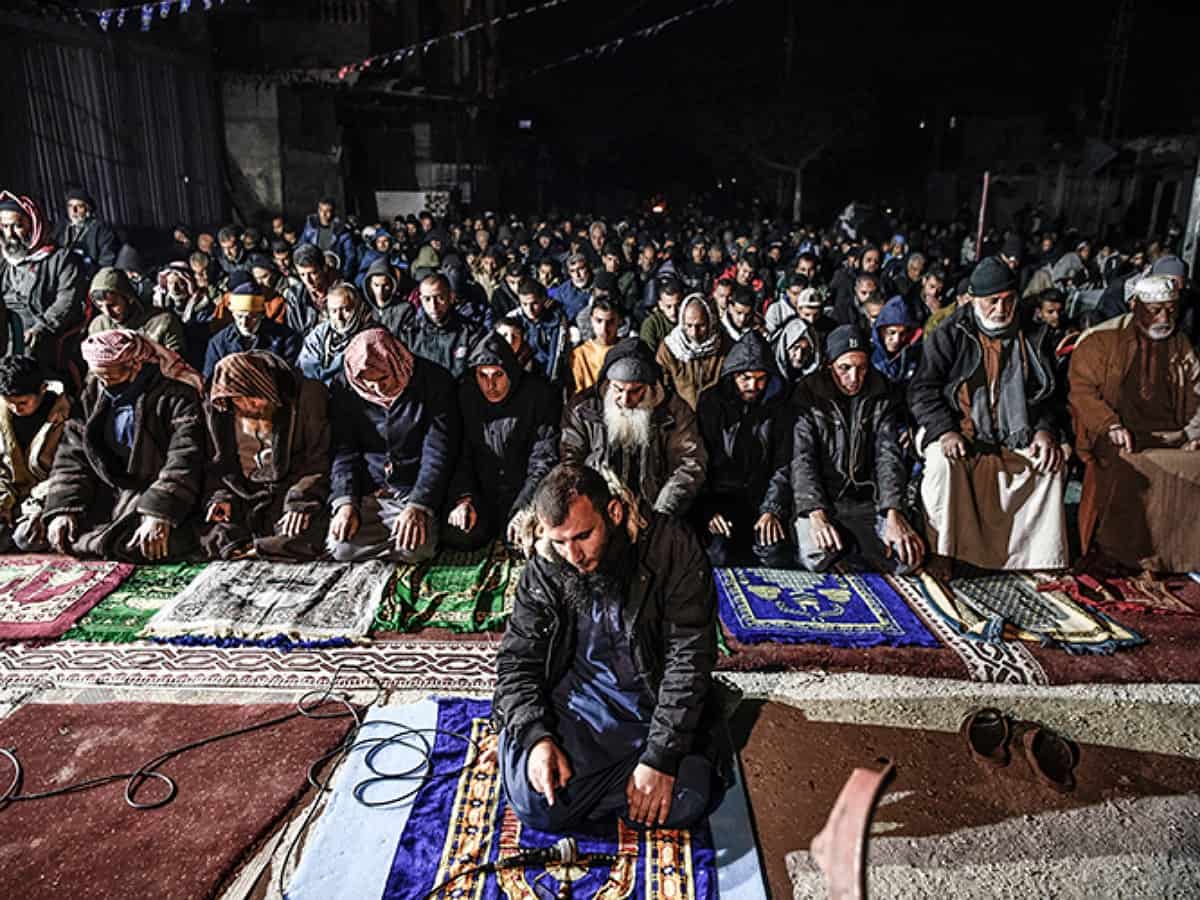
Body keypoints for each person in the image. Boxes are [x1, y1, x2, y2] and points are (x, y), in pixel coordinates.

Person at [493, 463, 721, 833]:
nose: (574, 556)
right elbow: (518, 662)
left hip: (649, 709)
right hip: (577, 710)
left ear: (613, 513)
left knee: (689, 797)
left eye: (583, 536)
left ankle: (623, 785)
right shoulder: (547, 563)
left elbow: (689, 660)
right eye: (559, 541)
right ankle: (601, 784)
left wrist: (660, 758)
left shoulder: (671, 547)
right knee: (537, 806)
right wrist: (537, 738)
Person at [909, 257, 1068, 570]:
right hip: (957, 429)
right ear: (973, 300)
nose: (1000, 309)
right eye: (992, 301)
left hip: (1016, 432)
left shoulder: (1034, 335)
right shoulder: (950, 332)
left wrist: (1045, 430)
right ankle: (945, 555)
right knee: (942, 465)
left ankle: (1035, 561)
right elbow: (922, 391)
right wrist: (945, 430)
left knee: (1051, 462)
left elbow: (1050, 395)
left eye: (1008, 301)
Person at [1069, 274, 1200, 572]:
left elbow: (1197, 395)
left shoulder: (1180, 343)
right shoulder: (1100, 339)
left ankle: (1175, 557)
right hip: (1115, 432)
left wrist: (1194, 433)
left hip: (1170, 434)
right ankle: (1115, 554)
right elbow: (1082, 392)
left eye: (1170, 309)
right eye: (1155, 310)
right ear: (1134, 306)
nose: (1164, 317)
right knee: (1126, 465)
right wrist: (1110, 425)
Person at [40, 331, 206, 561]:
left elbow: (185, 457)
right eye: (99, 377)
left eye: (111, 377)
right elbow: (72, 458)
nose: (105, 383)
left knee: (140, 542)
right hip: (110, 493)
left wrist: (158, 512)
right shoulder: (91, 396)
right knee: (39, 533)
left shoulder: (176, 397)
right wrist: (64, 509)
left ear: (135, 365)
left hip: (155, 490)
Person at [792, 325, 924, 573]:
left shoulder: (881, 391)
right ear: (830, 365)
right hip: (824, 500)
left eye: (862, 368)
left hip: (865, 500)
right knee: (816, 556)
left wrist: (893, 512)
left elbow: (888, 457)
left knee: (908, 558)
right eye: (845, 368)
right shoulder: (808, 392)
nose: (854, 378)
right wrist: (816, 513)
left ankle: (857, 546)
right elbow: (802, 458)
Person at [327, 329, 459, 563]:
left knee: (416, 549)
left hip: (414, 488)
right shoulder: (344, 387)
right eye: (368, 382)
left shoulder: (434, 381)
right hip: (371, 490)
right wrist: (346, 502)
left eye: (383, 379)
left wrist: (418, 504)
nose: (377, 389)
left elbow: (437, 452)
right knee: (341, 548)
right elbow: (344, 451)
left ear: (396, 365)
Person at [201, 351, 330, 560]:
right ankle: (247, 547)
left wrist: (301, 502)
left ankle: (258, 549)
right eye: (238, 401)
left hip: (289, 488)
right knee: (208, 528)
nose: (248, 407)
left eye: (253, 397)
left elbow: (317, 460)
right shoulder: (219, 409)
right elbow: (218, 464)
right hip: (243, 494)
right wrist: (222, 497)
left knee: (310, 529)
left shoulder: (308, 396)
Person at [560, 338, 707, 516]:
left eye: (635, 391)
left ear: (650, 388)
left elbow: (690, 463)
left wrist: (663, 511)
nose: (625, 400)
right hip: (598, 509)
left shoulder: (675, 411)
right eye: (618, 389)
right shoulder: (582, 408)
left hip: (655, 507)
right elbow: (571, 463)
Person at [445, 332, 560, 550]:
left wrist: (524, 507)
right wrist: (464, 499)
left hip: (525, 489)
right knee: (460, 534)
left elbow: (543, 458)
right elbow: (460, 454)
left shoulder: (537, 395)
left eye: (497, 375)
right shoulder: (467, 396)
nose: (490, 385)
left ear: (510, 371)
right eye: (483, 376)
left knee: (528, 539)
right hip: (483, 492)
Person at [695, 332, 793, 567]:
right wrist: (708, 510)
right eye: (746, 378)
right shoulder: (711, 402)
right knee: (719, 554)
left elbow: (784, 463)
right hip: (719, 498)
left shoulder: (778, 405)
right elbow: (699, 461)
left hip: (760, 498)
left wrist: (772, 509)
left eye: (761, 379)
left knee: (774, 554)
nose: (754, 386)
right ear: (733, 376)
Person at [0, 191, 86, 369]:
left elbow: (66, 301)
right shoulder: (3, 260)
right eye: (4, 226)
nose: (10, 234)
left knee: (26, 365)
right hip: (6, 327)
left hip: (43, 328)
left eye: (17, 226)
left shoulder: (62, 259)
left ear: (33, 224)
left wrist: (41, 328)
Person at [0, 356, 70, 552]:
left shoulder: (66, 415)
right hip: (14, 498)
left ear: (42, 389)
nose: (16, 409)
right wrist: (2, 504)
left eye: (23, 402)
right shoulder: (2, 414)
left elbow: (68, 471)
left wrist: (38, 505)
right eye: (9, 403)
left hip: (53, 497)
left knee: (26, 538)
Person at [203, 282, 301, 381]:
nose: (244, 323)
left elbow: (290, 379)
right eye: (239, 316)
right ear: (232, 314)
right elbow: (210, 381)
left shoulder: (286, 338)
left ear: (261, 315)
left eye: (251, 317)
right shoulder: (218, 343)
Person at [401, 273, 485, 378]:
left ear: (451, 297)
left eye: (440, 298)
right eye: (427, 299)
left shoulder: (471, 333)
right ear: (421, 300)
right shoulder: (410, 334)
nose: (433, 306)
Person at [88, 267, 186, 354]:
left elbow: (177, 366)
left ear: (129, 298)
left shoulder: (163, 322)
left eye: (113, 305)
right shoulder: (98, 326)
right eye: (100, 306)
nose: (108, 313)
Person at [297, 282, 379, 385]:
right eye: (333, 311)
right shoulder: (319, 333)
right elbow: (308, 370)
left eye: (345, 309)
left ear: (357, 308)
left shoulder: (372, 336)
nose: (339, 317)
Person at [655, 293, 727, 410]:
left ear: (711, 321)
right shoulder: (670, 348)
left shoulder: (723, 346)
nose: (694, 333)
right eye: (689, 325)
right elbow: (661, 387)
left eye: (701, 325)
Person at [504, 278, 570, 385]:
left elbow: (556, 354)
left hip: (548, 373)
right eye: (524, 304)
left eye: (534, 303)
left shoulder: (556, 318)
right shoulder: (513, 318)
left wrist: (550, 383)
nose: (529, 309)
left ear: (543, 299)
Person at [54, 187, 118, 273]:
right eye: (70, 206)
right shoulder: (61, 229)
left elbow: (107, 261)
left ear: (88, 209)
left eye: (79, 206)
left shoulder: (102, 230)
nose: (74, 211)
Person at [569, 298, 623, 395]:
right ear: (591, 321)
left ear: (619, 321)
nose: (604, 328)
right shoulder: (580, 354)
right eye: (599, 321)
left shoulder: (627, 349)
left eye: (610, 322)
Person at [870, 296, 921, 390]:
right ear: (881, 331)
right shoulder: (869, 357)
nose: (896, 339)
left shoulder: (916, 356)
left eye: (902, 334)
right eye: (891, 332)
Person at [299, 197, 356, 279]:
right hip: (314, 270)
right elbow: (302, 247)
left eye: (328, 211)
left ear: (333, 212)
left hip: (334, 271)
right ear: (318, 210)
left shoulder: (341, 231)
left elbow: (350, 256)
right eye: (322, 210)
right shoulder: (311, 227)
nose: (324, 214)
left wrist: (343, 275)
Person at [286, 243, 336, 336]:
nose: (307, 280)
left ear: (324, 268)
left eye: (313, 273)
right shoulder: (295, 295)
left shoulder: (341, 290)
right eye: (302, 274)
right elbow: (294, 334)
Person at [361, 256, 414, 336]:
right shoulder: (364, 311)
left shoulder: (404, 310)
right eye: (376, 285)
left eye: (385, 285)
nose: (380, 291)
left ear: (393, 285)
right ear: (369, 286)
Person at [772, 316, 823, 388]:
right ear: (784, 346)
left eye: (806, 350)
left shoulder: (818, 381)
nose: (799, 356)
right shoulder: (770, 376)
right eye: (795, 348)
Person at [638, 276, 683, 352]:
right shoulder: (651, 324)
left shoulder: (689, 321)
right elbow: (647, 355)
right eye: (668, 306)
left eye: (678, 306)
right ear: (660, 305)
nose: (673, 311)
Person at [549, 253, 594, 321]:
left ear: (589, 268)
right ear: (569, 273)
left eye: (581, 269)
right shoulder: (562, 291)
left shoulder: (599, 286)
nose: (577, 275)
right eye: (572, 271)